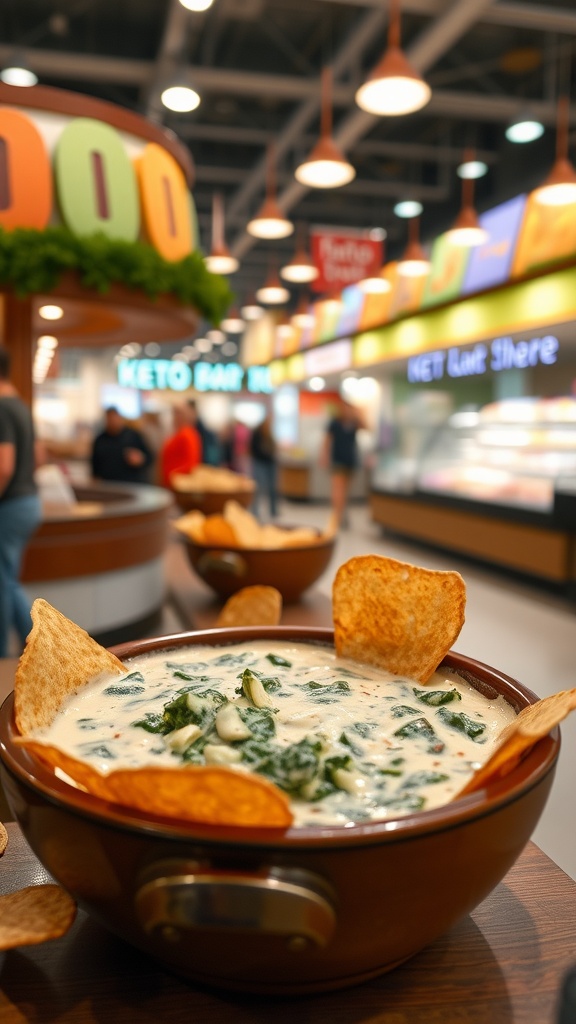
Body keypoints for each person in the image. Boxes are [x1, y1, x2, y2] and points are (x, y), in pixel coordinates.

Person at [0, 345, 43, 657]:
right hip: (28, 501)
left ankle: (2, 654)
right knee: (8, 580)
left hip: (10, 505)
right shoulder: (20, 405)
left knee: (2, 584)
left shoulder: (1, 407)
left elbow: (3, 467)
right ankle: (39, 649)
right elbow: (38, 455)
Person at [322, 399, 363, 529]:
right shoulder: (334, 423)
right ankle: (337, 516)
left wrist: (357, 414)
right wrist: (325, 457)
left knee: (345, 491)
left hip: (350, 460)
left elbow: (367, 426)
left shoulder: (354, 423)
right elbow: (327, 441)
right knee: (338, 490)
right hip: (338, 460)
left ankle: (342, 514)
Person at [91, 407, 153, 484]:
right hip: (108, 486)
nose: (113, 422)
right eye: (109, 419)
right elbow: (94, 466)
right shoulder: (100, 440)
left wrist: (140, 459)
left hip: (132, 484)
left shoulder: (133, 436)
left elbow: (150, 457)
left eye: (114, 418)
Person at [160, 403, 202, 488]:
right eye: (174, 413)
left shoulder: (187, 434)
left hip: (178, 484)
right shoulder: (177, 433)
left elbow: (191, 463)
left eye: (177, 413)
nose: (174, 417)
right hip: (170, 482)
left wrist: (173, 474)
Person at [249, 414, 278, 519]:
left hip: (270, 463)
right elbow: (253, 449)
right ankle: (255, 510)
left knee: (273, 488)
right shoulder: (257, 433)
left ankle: (273, 510)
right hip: (260, 462)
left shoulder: (269, 433)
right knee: (258, 487)